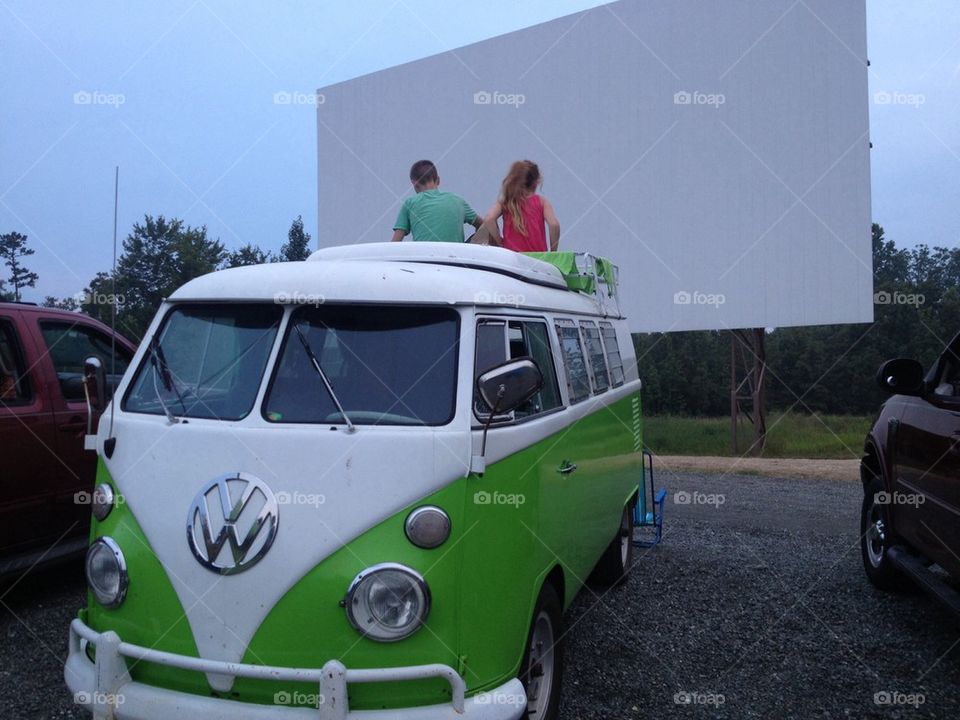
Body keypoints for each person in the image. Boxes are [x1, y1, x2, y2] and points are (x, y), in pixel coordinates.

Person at [391, 160, 483, 243]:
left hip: (425, 259)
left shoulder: (410, 203)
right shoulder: (458, 201)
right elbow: (484, 225)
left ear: (414, 183)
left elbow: (395, 242)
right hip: (456, 257)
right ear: (438, 180)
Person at [483, 160, 560, 252]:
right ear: (537, 181)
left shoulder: (506, 201)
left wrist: (500, 242)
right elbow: (554, 225)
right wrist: (553, 251)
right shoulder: (542, 202)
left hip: (512, 256)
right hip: (537, 257)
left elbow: (489, 218)